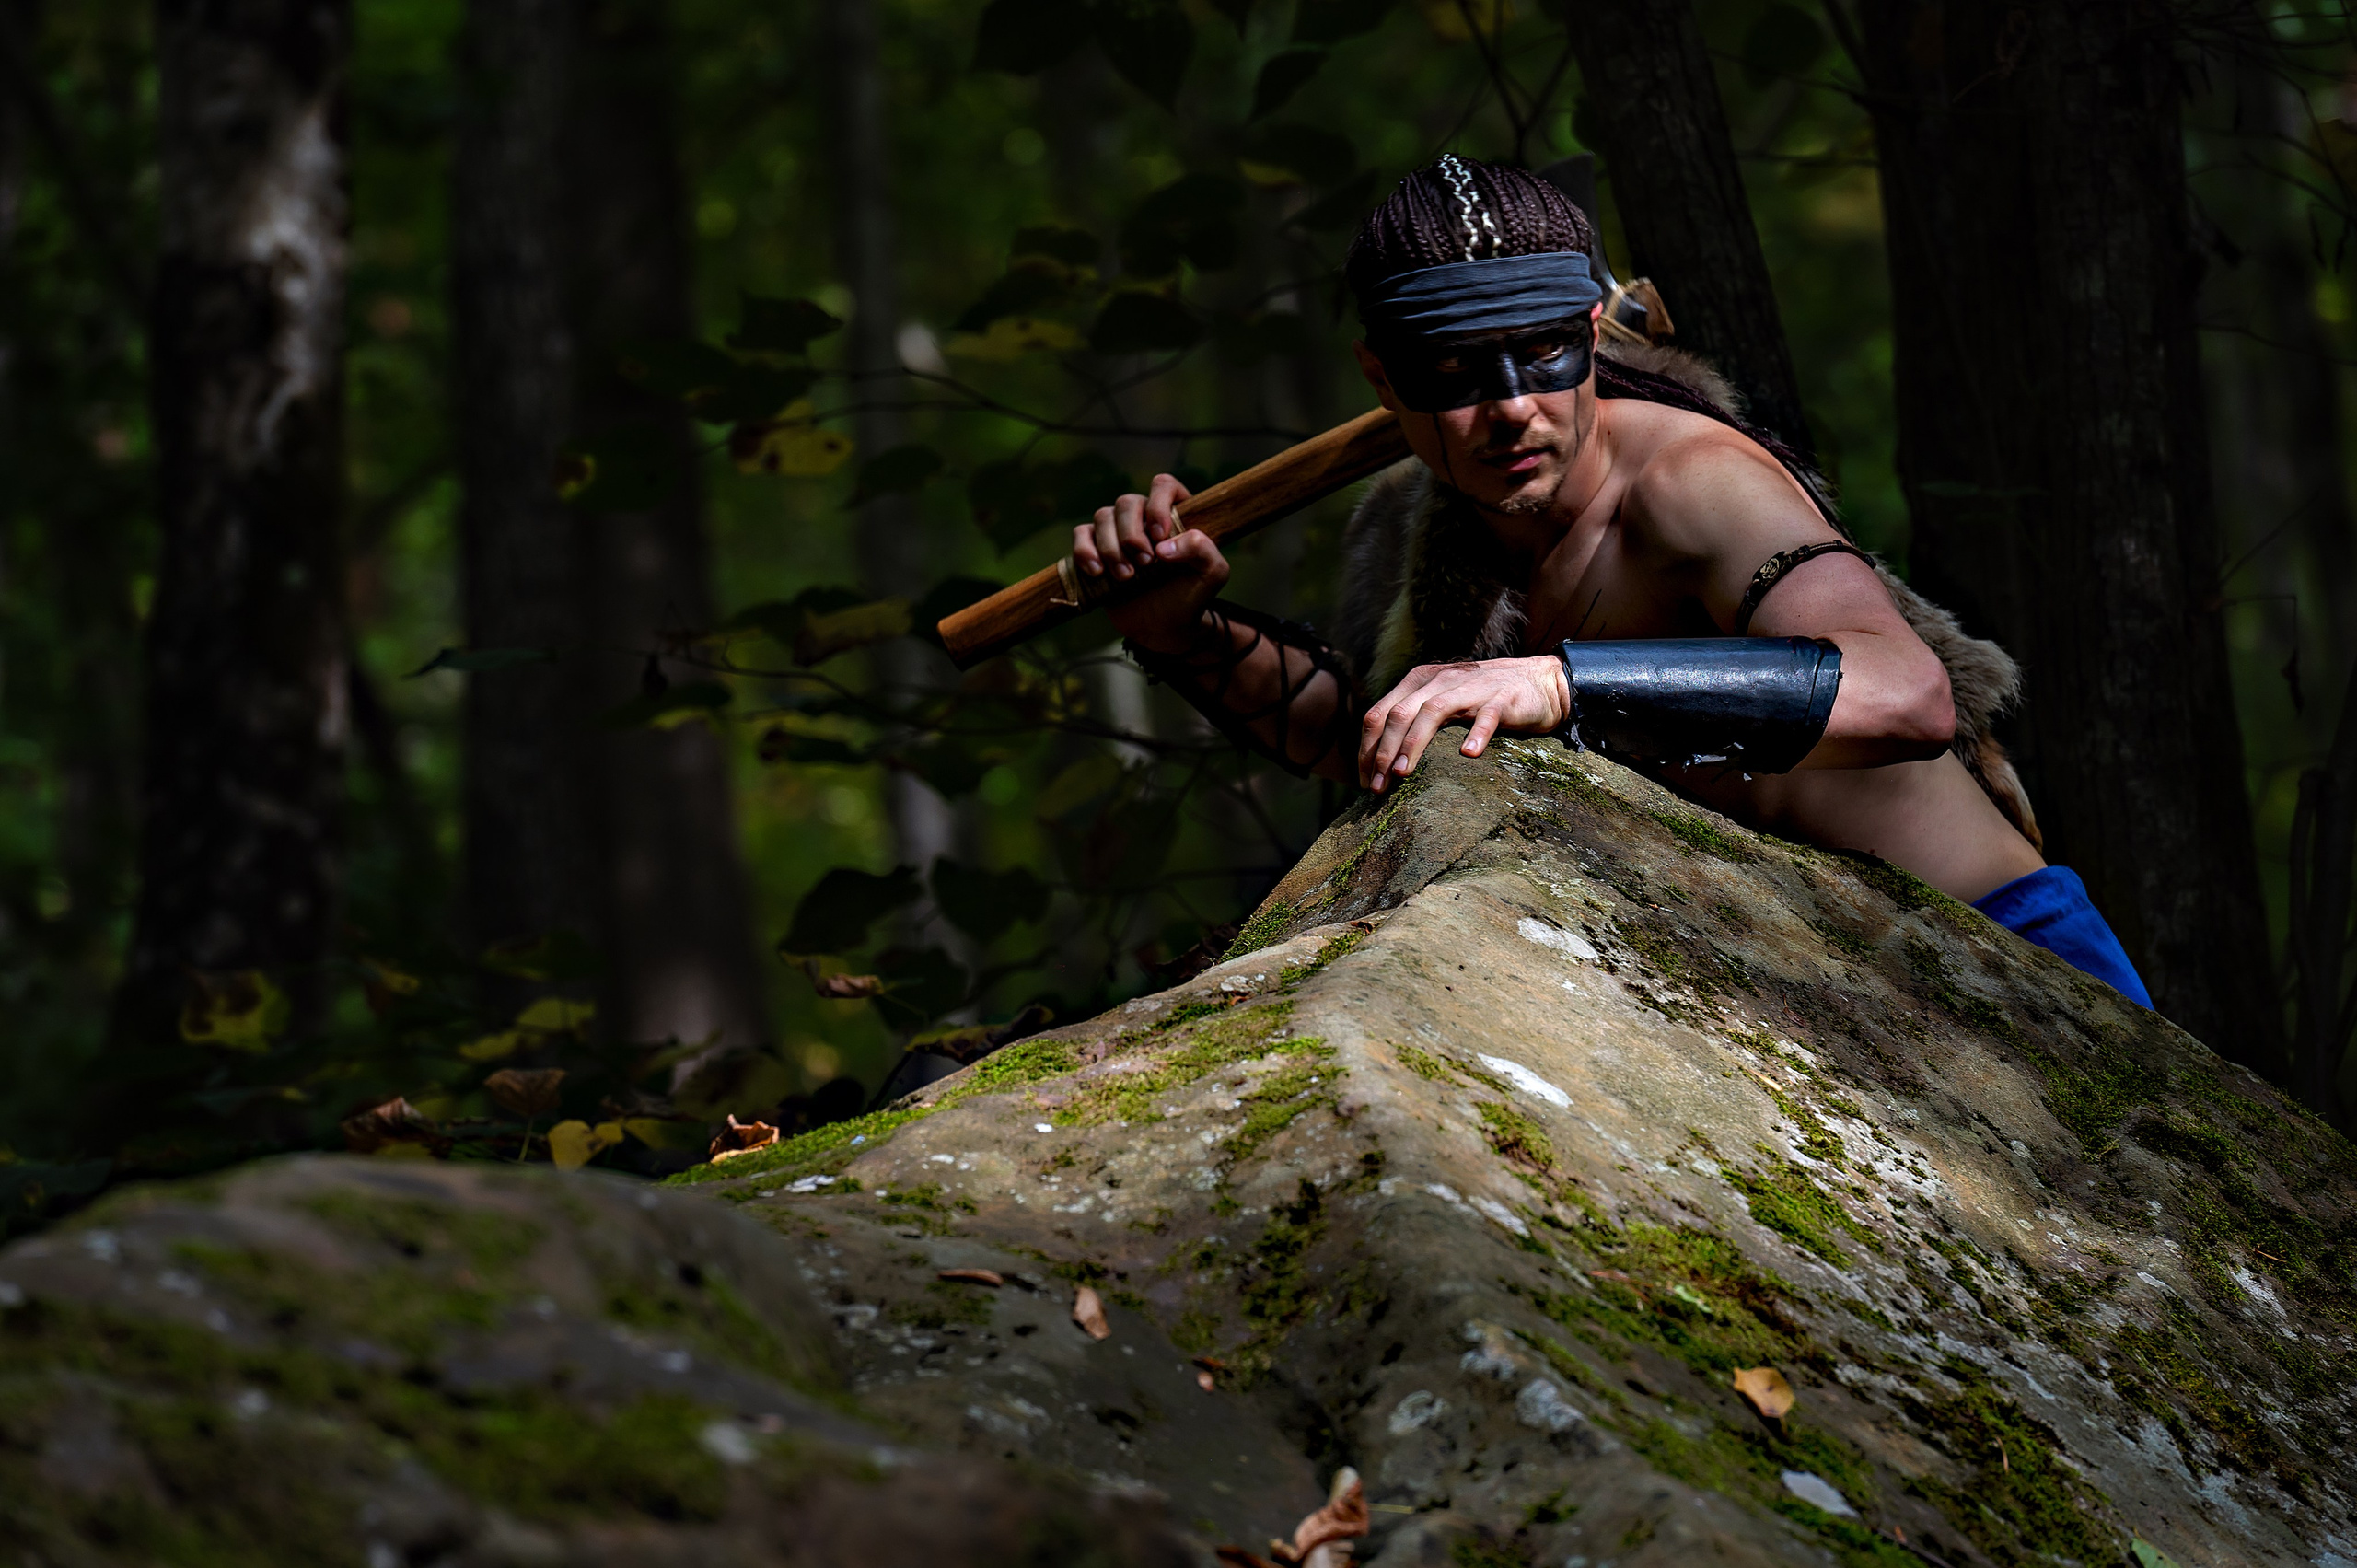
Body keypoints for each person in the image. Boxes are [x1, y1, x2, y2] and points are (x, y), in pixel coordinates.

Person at [1073, 156, 2151, 1008]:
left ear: (1592, 331)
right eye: (1452, 374)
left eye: (1541, 355)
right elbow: (1369, 734)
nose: (1509, 411)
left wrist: (1555, 683)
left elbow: (1905, 695)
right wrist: (1186, 634)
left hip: (2009, 960)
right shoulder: (1442, 522)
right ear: (1379, 375)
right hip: (1798, 988)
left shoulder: (1694, 484)